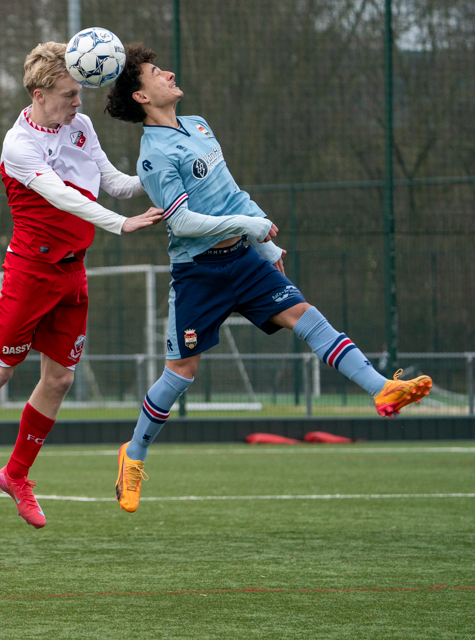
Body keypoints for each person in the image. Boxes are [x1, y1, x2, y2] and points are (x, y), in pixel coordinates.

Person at [103, 43, 433, 513]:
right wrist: (247, 226)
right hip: (198, 275)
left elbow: (234, 195)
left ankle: (382, 389)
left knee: (306, 315)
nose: (169, 73)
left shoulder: (199, 126)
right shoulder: (153, 157)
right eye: (157, 72)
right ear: (141, 96)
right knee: (181, 374)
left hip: (244, 261)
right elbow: (183, 224)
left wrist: (266, 243)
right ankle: (133, 454)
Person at [0, 42, 163, 528]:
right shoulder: (18, 145)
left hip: (72, 271)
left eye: (80, 93)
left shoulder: (81, 127)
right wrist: (121, 225)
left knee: (61, 378)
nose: (79, 102)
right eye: (69, 94)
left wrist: (161, 170)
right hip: (29, 273)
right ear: (39, 93)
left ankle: (16, 475)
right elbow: (63, 198)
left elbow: (117, 183)